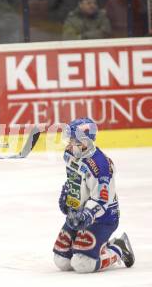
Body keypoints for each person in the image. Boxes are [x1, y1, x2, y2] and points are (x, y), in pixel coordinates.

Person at [53, 117, 135, 273]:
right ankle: (94, 246)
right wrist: (69, 197)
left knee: (83, 264)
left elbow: (102, 199)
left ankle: (118, 247)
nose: (70, 142)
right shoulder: (70, 154)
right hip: (78, 214)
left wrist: (86, 215)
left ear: (86, 139)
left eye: (74, 138)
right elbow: (74, 179)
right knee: (61, 260)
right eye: (70, 138)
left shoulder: (101, 165)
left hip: (103, 218)